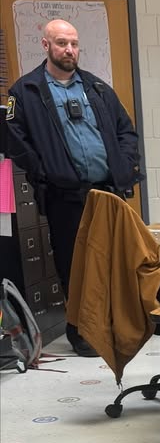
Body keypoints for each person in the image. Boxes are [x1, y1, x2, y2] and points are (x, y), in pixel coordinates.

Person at [6, 18, 142, 356]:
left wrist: (124, 165)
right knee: (74, 265)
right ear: (46, 46)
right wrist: (45, 169)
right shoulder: (26, 91)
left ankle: (110, 326)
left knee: (110, 262)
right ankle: (81, 332)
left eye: (74, 44)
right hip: (64, 196)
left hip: (106, 191)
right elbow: (12, 138)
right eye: (62, 43)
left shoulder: (96, 88)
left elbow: (126, 130)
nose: (69, 50)